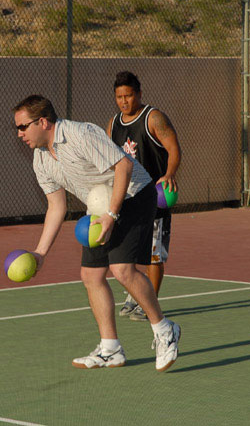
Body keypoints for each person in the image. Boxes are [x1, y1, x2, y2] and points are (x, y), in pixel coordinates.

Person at [12, 94, 181, 372]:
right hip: (99, 205)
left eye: (22, 126)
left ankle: (165, 330)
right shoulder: (41, 159)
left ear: (42, 122)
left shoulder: (80, 134)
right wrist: (40, 253)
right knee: (90, 275)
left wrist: (112, 215)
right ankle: (110, 348)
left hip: (134, 195)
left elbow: (124, 165)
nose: (19, 134)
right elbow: (56, 206)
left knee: (122, 269)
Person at [107, 71, 182, 322]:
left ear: (139, 94)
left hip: (154, 195)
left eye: (128, 95)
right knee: (129, 247)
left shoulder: (153, 118)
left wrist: (170, 174)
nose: (124, 100)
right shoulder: (114, 123)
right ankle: (135, 293)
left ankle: (150, 301)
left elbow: (173, 148)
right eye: (119, 96)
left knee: (153, 252)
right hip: (128, 196)